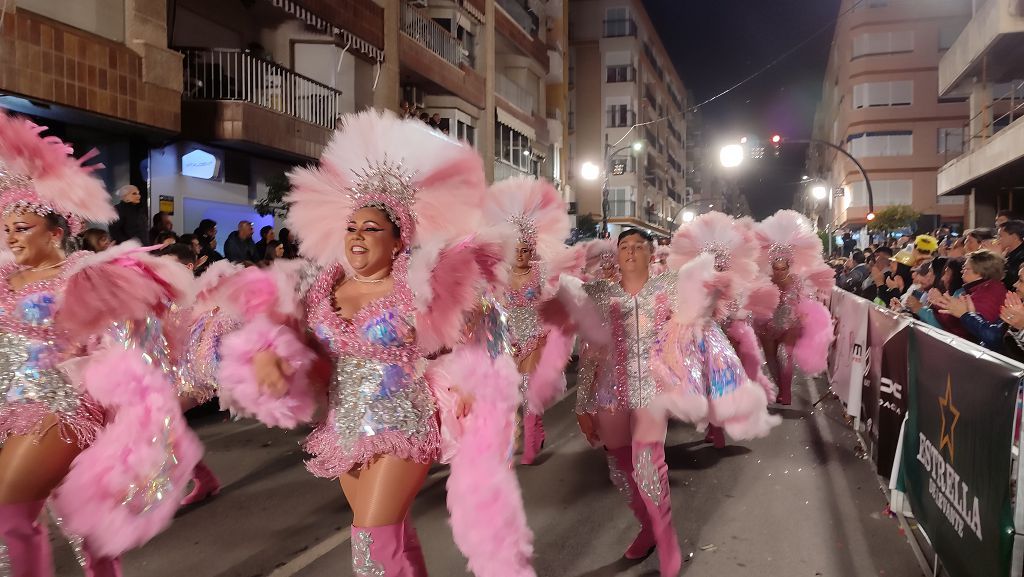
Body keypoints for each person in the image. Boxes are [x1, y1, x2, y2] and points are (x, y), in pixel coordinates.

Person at [214, 110, 535, 575]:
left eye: (370, 229)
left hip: (403, 421)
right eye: (352, 228)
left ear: (399, 239)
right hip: (343, 426)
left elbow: (482, 324)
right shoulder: (320, 285)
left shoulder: (418, 284)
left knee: (370, 545)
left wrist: (477, 387)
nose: (357, 237)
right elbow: (281, 326)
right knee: (394, 540)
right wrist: (269, 356)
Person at [0, 111, 200, 577]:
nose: (11, 236)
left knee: (8, 510)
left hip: (59, 406)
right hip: (7, 406)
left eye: (23, 227)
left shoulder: (81, 274)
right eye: (6, 228)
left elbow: (129, 340)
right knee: (85, 525)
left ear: (56, 232)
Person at [551, 226, 780, 577]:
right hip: (610, 393)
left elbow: (697, 327)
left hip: (653, 392)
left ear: (650, 252)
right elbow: (591, 352)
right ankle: (647, 527)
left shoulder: (670, 288)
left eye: (637, 246)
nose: (629, 251)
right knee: (623, 468)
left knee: (648, 465)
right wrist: (583, 405)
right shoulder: (600, 294)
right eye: (623, 246)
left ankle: (666, 537)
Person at [485, 176, 577, 465]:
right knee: (510, 389)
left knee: (529, 387)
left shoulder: (541, 272)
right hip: (507, 336)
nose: (522, 255)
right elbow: (490, 305)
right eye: (517, 250)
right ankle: (515, 434)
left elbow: (555, 300)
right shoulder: (499, 274)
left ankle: (533, 430)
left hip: (535, 333)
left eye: (526, 249)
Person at [753, 210, 837, 406]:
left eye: (783, 268)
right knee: (771, 358)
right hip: (767, 322)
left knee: (786, 355)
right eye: (776, 267)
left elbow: (805, 298)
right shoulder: (765, 280)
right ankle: (781, 387)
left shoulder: (797, 281)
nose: (780, 271)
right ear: (771, 265)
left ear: (789, 265)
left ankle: (786, 392)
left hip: (790, 323)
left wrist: (802, 315)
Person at [930, 249, 1007, 339]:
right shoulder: (981, 289)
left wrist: (940, 303)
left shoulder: (989, 294)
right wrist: (940, 303)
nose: (962, 272)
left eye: (965, 269)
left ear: (980, 272)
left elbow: (966, 330)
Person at [997, 220, 1024, 290]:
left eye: (1000, 236)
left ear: (1014, 237)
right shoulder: (1009, 254)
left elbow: (1010, 281)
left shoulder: (1021, 257)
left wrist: (997, 258)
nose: (997, 240)